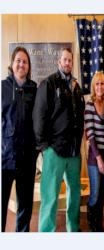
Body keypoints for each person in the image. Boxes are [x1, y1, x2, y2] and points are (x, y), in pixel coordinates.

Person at [33, 48, 85, 232]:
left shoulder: (76, 88)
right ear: (59, 62)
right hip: (54, 151)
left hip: (73, 153)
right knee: (50, 196)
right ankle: (47, 233)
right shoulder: (48, 84)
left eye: (70, 60)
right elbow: (39, 117)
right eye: (65, 59)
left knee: (75, 195)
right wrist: (44, 147)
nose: (68, 63)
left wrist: (78, 146)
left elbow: (79, 118)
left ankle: (73, 229)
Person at [1, 46, 37, 232]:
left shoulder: (34, 90)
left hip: (27, 160)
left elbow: (39, 122)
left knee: (25, 208)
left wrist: (37, 150)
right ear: (12, 64)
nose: (21, 64)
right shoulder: (2, 88)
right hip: (5, 159)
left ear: (28, 66)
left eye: (25, 61)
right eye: (18, 61)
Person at [84, 71, 104, 232]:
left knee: (101, 193)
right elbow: (91, 135)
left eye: (102, 83)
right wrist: (99, 159)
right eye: (97, 84)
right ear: (93, 86)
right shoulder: (89, 105)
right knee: (94, 194)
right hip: (95, 157)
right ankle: (92, 226)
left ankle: (99, 225)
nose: (100, 86)